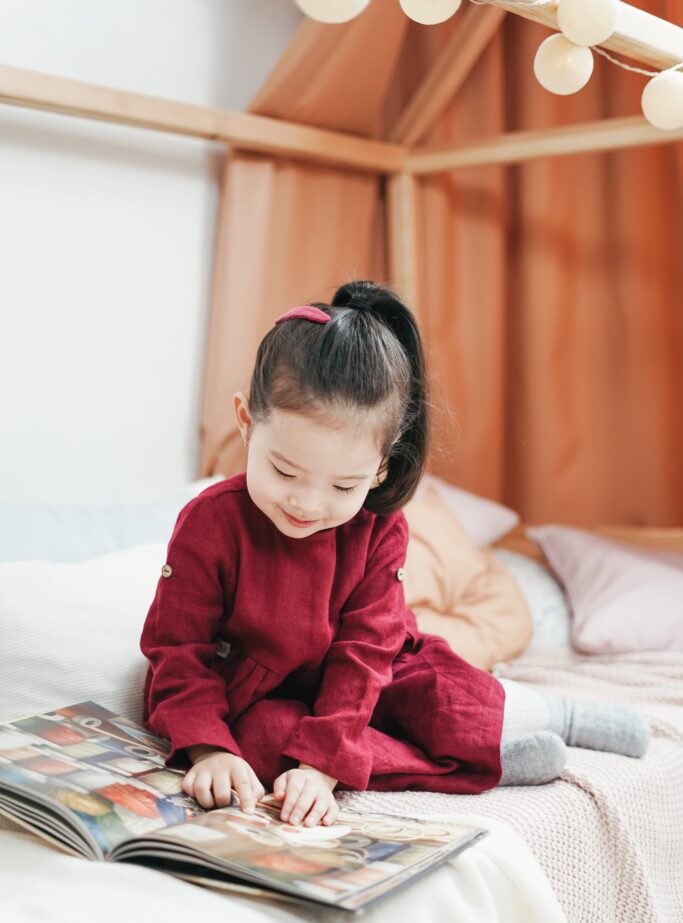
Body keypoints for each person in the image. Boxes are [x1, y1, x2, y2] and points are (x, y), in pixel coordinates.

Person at [139, 280, 650, 830]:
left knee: (450, 697)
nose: (307, 504)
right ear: (245, 421)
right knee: (261, 744)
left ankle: (554, 715)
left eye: (343, 486)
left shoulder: (379, 527)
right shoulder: (211, 522)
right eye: (284, 471)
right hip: (261, 691)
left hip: (369, 672)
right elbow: (177, 649)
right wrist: (210, 751)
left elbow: (366, 652)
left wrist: (324, 763)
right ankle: (478, 765)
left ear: (381, 468)